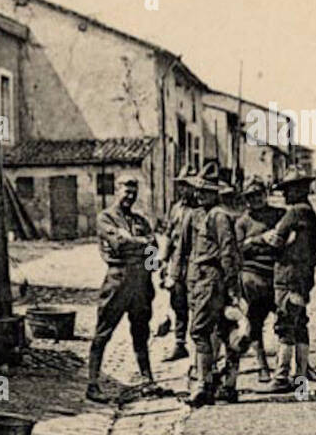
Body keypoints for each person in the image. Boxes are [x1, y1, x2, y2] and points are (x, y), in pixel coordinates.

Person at [172, 162, 245, 406]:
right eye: (198, 190)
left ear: (215, 193)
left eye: (205, 191)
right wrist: (176, 277)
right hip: (199, 279)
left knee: (200, 331)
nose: (199, 194)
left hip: (212, 279)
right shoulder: (198, 215)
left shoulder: (219, 216)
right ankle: (226, 384)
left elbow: (227, 252)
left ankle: (204, 386)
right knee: (223, 330)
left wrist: (231, 286)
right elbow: (184, 250)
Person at [85, 177, 160, 403]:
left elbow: (153, 251)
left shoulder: (140, 220)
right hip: (117, 281)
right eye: (126, 191)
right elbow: (119, 243)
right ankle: (92, 383)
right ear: (117, 190)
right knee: (103, 332)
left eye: (133, 193)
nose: (130, 196)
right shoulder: (105, 217)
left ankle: (147, 379)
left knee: (141, 332)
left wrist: (148, 265)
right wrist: (142, 242)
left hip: (140, 283)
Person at [247, 166, 316, 393]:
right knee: (300, 326)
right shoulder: (309, 211)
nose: (285, 194)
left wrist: (254, 241)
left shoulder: (294, 213)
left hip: (287, 276)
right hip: (303, 277)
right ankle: (300, 379)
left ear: (300, 189)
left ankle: (281, 378)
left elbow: (275, 241)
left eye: (289, 189)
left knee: (285, 325)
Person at [236, 176, 284, 382]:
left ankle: (295, 367)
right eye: (250, 196)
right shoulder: (243, 222)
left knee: (289, 319)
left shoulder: (280, 214)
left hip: (278, 274)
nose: (255, 200)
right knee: (255, 322)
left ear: (266, 194)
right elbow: (237, 249)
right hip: (253, 276)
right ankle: (262, 366)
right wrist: (258, 240)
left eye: (258, 194)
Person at [159, 165, 198, 362]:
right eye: (182, 185)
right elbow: (168, 234)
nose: (185, 189)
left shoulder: (200, 209)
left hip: (194, 262)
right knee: (178, 303)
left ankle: (203, 350)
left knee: (198, 304)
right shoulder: (175, 208)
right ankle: (180, 344)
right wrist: (163, 261)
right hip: (177, 262)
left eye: (189, 185)